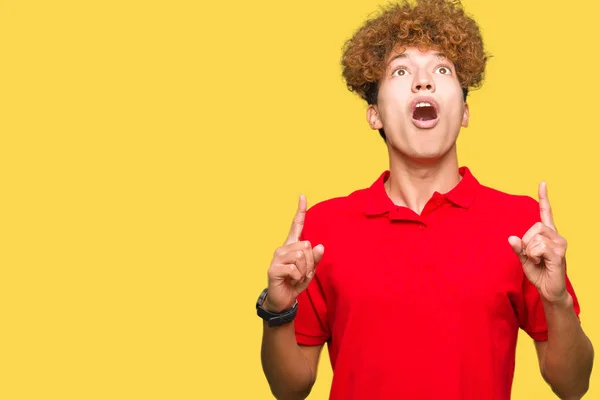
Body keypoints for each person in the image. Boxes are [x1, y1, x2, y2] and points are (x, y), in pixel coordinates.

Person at [255, 0, 594, 399]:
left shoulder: (522, 226)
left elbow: (573, 386)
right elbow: (289, 389)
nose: (423, 82)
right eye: (401, 71)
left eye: (441, 69)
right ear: (374, 114)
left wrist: (556, 300)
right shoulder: (323, 229)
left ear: (464, 111)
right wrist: (277, 311)